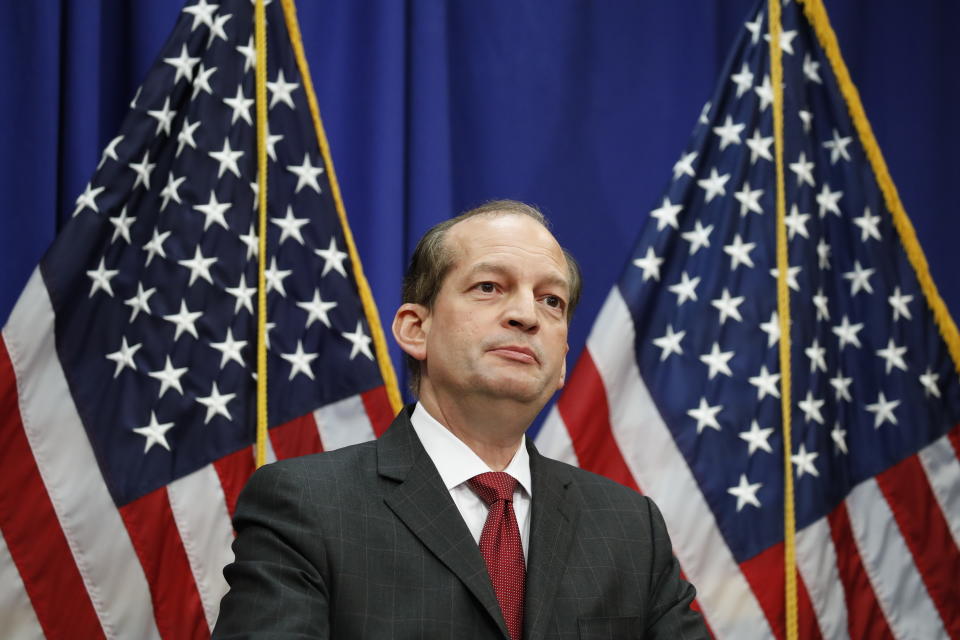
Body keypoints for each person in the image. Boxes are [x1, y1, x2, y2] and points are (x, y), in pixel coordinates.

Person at [213, 200, 708, 639]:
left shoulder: (630, 528)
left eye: (550, 300)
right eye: (490, 287)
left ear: (562, 362)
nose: (526, 315)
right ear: (415, 329)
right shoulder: (305, 507)